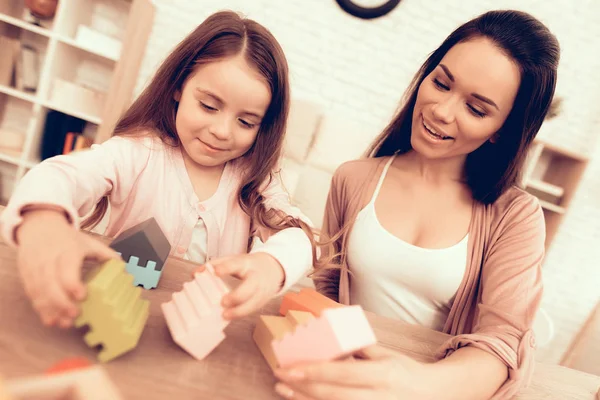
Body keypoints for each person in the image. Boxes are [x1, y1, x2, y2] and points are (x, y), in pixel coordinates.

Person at [275, 9, 559, 400]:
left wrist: (411, 385)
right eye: (441, 83)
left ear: (503, 131)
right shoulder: (353, 178)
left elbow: (502, 342)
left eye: (476, 109)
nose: (441, 111)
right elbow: (327, 289)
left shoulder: (515, 217)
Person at [0, 11, 316, 330]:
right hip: (118, 320)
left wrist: (272, 263)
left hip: (203, 330)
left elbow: (301, 235)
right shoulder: (138, 152)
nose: (222, 130)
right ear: (178, 87)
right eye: (208, 106)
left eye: (246, 122)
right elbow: (62, 175)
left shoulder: (254, 179)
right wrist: (44, 220)